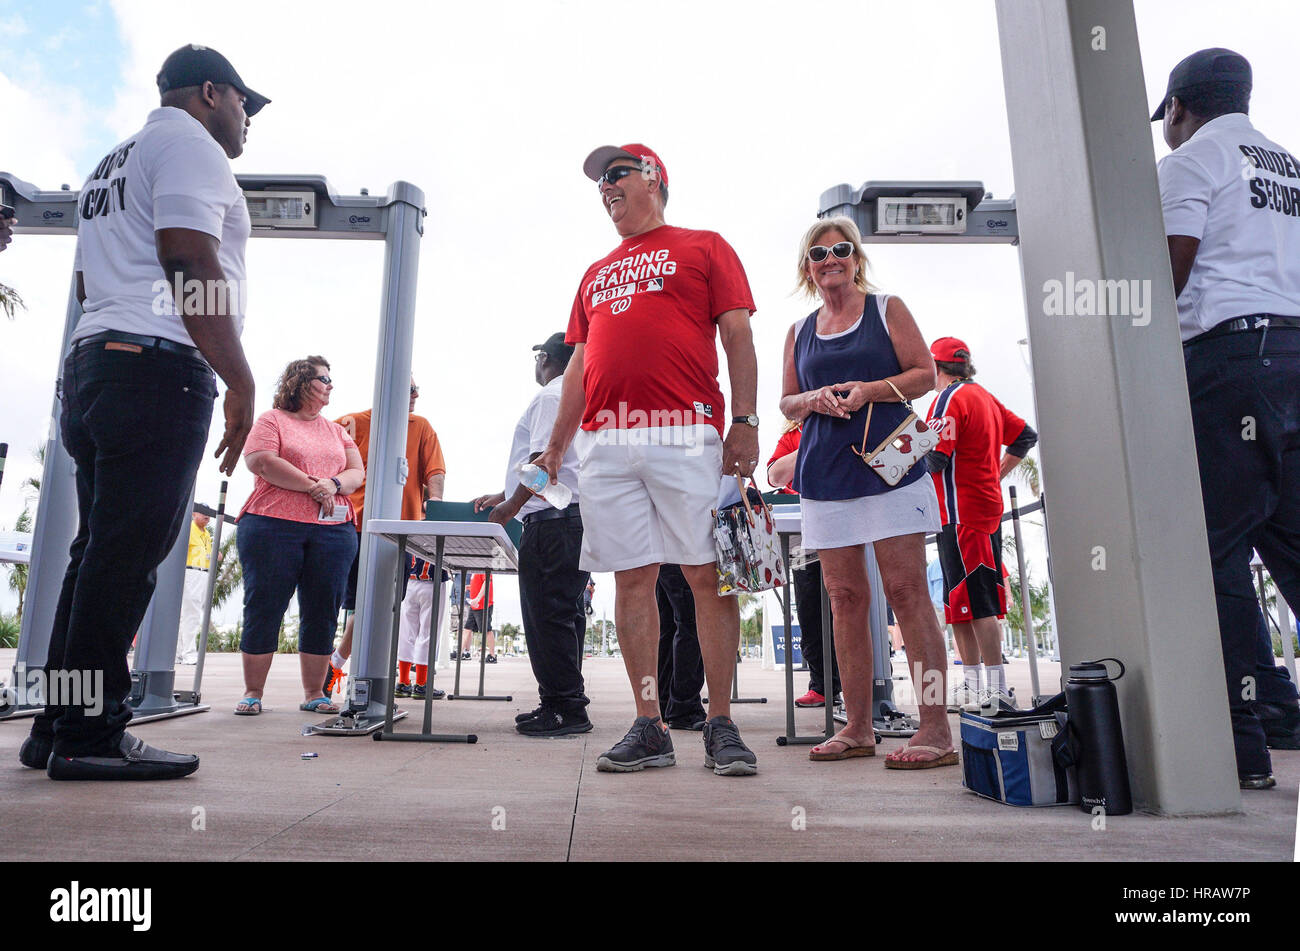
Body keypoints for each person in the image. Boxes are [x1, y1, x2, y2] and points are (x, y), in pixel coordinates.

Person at [19, 45, 264, 781]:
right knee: (124, 559)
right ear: (212, 94)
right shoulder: (190, 147)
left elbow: (94, 280)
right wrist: (240, 377)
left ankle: (56, 724)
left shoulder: (112, 162)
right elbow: (188, 258)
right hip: (155, 370)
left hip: (98, 363)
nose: (248, 120)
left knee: (96, 555)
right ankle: (92, 733)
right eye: (245, 104)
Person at [533, 143, 761, 777]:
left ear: (654, 178)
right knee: (630, 579)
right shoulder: (595, 271)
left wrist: (743, 422)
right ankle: (649, 724)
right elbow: (578, 362)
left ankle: (720, 722)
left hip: (686, 432)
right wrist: (556, 446)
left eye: (616, 174)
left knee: (704, 575)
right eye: (599, 181)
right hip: (606, 442)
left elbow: (737, 332)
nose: (605, 187)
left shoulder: (703, 245)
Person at [1154, 48, 1300, 788]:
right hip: (1295, 355)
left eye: (1168, 120)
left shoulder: (1191, 161)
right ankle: (1280, 703)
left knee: (1213, 549)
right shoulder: (1290, 166)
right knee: (1291, 543)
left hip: (1232, 363)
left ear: (1179, 106)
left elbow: (1169, 270)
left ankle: (1243, 741)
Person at [779, 216, 954, 768]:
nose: (830, 259)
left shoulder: (887, 309)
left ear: (856, 258)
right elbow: (785, 403)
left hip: (890, 468)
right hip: (824, 473)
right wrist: (813, 400)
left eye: (841, 250)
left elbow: (924, 373)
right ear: (807, 266)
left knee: (906, 591)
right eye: (818, 253)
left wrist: (867, 392)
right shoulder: (799, 331)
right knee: (844, 598)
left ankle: (934, 730)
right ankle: (856, 727)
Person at [473, 333, 591, 736]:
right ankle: (564, 700)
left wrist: (510, 507)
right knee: (566, 614)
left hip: (552, 522)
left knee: (547, 617)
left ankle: (564, 708)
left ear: (546, 359)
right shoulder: (575, 394)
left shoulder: (549, 397)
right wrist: (505, 492)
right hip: (573, 519)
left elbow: (544, 464)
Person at [233, 357, 363, 716]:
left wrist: (332, 485)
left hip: (333, 532)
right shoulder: (272, 420)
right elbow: (260, 460)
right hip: (271, 525)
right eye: (324, 379)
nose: (331, 385)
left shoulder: (337, 430)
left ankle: (314, 693)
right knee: (265, 604)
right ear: (302, 382)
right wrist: (313, 487)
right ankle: (253, 691)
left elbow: (356, 472)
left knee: (323, 609)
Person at [923, 337, 1037, 713]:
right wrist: (995, 474)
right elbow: (1024, 437)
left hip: (959, 514)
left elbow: (936, 459)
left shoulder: (948, 399)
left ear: (935, 366)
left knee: (977, 603)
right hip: (980, 509)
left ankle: (997, 689)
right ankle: (975, 685)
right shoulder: (983, 396)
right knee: (962, 601)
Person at [324, 377, 446, 695]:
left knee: (382, 606)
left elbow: (435, 473)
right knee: (337, 604)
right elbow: (322, 461)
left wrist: (434, 516)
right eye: (408, 389)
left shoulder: (421, 427)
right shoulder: (350, 423)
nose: (417, 394)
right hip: (349, 528)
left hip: (398, 534)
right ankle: (330, 670)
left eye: (417, 389)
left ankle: (340, 668)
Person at [767, 420, 842, 708]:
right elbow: (774, 475)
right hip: (802, 536)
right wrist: (814, 441)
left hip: (844, 526)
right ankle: (822, 685)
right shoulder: (792, 435)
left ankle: (857, 685)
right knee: (810, 609)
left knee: (848, 605)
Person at [656, 565, 707, 730]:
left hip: (660, 554)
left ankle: (666, 703)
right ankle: (685, 707)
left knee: (669, 626)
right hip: (680, 550)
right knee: (690, 622)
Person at [394, 554, 445, 700]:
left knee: (406, 634)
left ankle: (403, 682)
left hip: (410, 582)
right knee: (428, 634)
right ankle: (422, 684)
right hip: (432, 581)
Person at [175, 508, 215, 665]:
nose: (207, 516)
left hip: (203, 573)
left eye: (208, 514)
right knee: (191, 613)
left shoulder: (205, 534)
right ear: (193, 514)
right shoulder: (189, 529)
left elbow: (209, 555)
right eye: (202, 512)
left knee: (187, 614)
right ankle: (189, 653)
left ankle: (178, 653)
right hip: (191, 571)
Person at [460, 572, 496, 661]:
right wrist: (469, 587)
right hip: (474, 605)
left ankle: (492, 655)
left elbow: (487, 582)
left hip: (483, 605)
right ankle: (459, 653)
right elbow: (478, 584)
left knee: (486, 630)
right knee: (467, 629)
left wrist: (478, 598)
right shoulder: (475, 571)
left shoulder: (484, 567)